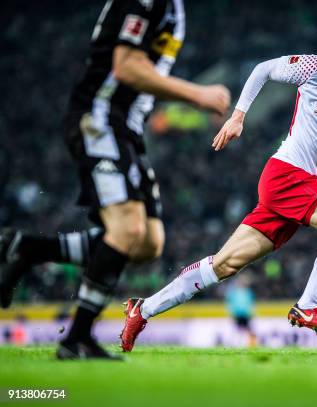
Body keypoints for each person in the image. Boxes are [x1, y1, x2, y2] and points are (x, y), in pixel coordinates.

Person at [120, 25, 317, 352]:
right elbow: (263, 70)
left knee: (223, 265)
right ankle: (308, 306)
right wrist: (237, 117)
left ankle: (143, 309)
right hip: (287, 174)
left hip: (303, 186)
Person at [0, 0, 230, 359]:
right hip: (100, 118)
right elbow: (125, 67)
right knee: (126, 230)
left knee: (148, 242)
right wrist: (195, 94)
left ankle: (29, 249)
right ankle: (75, 338)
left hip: (126, 129)